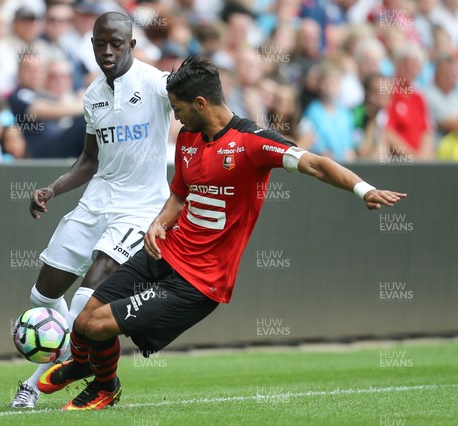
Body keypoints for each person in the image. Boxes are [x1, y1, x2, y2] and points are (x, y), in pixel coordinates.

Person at [37, 56, 406, 411]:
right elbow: (180, 193)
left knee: (96, 326)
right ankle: (86, 367)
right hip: (164, 251)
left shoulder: (253, 143)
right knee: (85, 317)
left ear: (200, 103)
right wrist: (159, 222)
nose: (175, 116)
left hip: (199, 281)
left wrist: (364, 189)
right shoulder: (188, 139)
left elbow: (315, 164)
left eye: (178, 109)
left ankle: (104, 388)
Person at [10, 11, 172, 408]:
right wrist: (52, 189)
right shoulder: (93, 94)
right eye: (100, 43)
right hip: (97, 201)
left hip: (140, 208)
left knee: (86, 301)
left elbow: (203, 108)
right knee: (42, 294)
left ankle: (37, 383)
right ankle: (72, 352)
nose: (107, 50)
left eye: (116, 43)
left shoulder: (156, 85)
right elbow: (89, 159)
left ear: (131, 44)